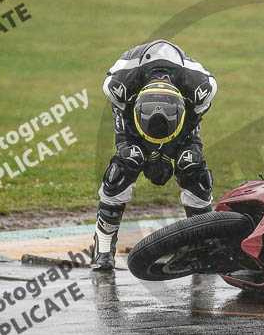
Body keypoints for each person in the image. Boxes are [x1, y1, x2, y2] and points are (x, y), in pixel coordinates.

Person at [92, 40, 217, 271]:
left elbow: (192, 126)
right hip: (129, 111)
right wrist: (148, 155)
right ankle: (103, 245)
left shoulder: (200, 88)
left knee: (191, 164)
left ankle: (202, 244)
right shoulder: (119, 85)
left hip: (185, 116)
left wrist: (168, 155)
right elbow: (123, 130)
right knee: (127, 162)